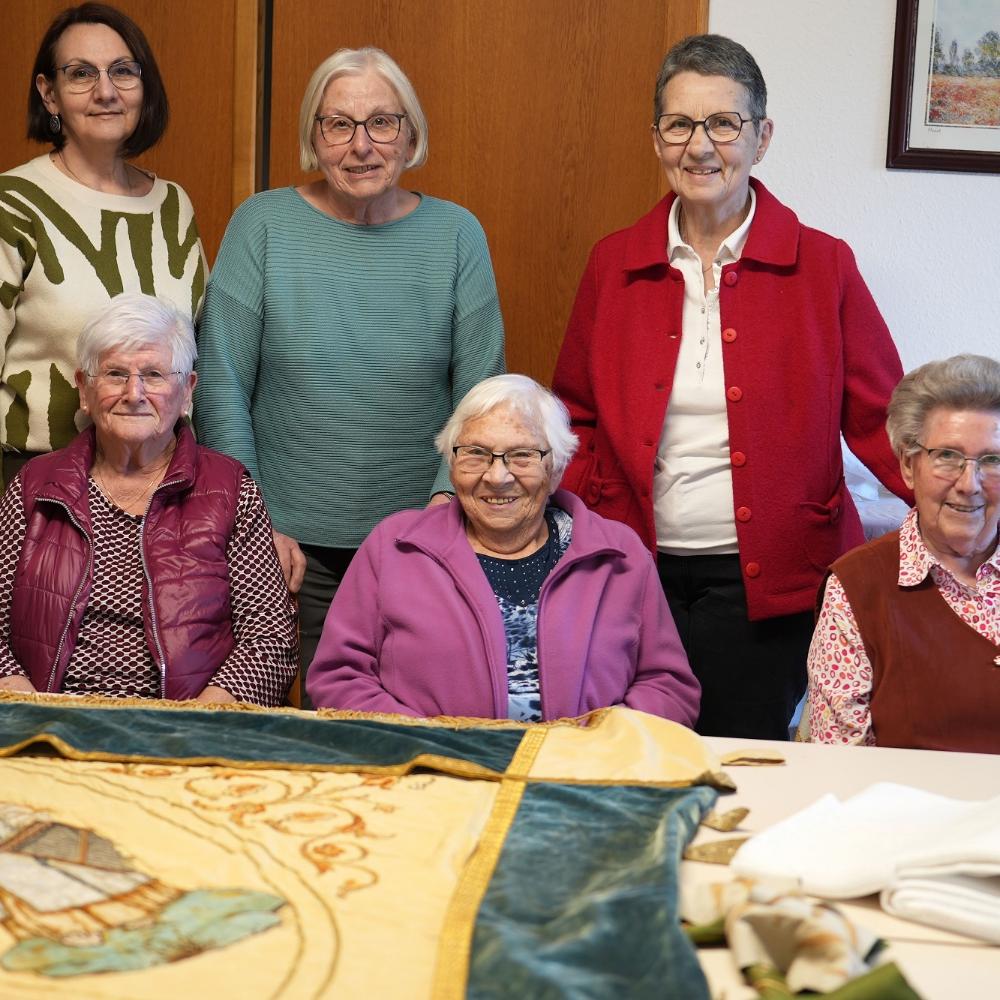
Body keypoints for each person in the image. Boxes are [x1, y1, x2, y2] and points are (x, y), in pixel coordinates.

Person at [551, 34, 910, 739]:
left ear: (761, 137)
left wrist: (969, 509)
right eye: (680, 124)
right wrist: (593, 517)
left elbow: (886, 419)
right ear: (657, 139)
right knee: (630, 755)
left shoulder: (824, 265)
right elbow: (573, 416)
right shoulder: (612, 263)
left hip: (773, 585)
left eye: (723, 123)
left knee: (741, 764)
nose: (700, 146)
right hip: (632, 575)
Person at [194, 47, 504, 699]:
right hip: (286, 548)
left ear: (410, 134)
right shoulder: (262, 225)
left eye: (382, 123)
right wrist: (255, 526)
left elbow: (480, 395)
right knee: (300, 730)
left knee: (414, 723)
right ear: (314, 136)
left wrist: (443, 509)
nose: (361, 145)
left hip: (420, 542)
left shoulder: (457, 235)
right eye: (339, 124)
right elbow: (220, 383)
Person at [306, 374, 700, 724]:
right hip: (434, 769)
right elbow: (340, 677)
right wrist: (432, 742)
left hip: (583, 771)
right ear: (451, 465)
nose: (497, 476)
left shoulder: (619, 554)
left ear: (556, 469)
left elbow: (668, 686)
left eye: (522, 455)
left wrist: (602, 745)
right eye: (476, 453)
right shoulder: (394, 548)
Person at [0, 294, 296, 706]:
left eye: (154, 375)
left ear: (187, 390)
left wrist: (197, 720)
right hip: (49, 720)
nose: (134, 393)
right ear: (84, 388)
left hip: (187, 725)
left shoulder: (231, 490)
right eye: (115, 374)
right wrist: (29, 707)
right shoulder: (34, 486)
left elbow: (270, 640)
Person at [0, 2, 205, 490]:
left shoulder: (172, 204)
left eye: (122, 71)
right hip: (36, 484)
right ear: (49, 93)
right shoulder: (13, 203)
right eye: (81, 74)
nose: (106, 91)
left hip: (163, 485)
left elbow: (194, 357)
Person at [808, 354, 1000, 752]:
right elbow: (839, 763)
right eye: (947, 456)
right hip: (912, 795)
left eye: (992, 459)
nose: (970, 484)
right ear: (908, 466)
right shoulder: (857, 588)